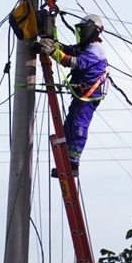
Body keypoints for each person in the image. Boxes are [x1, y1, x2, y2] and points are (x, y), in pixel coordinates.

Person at [40, 14, 108, 178]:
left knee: (78, 127)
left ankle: (73, 164)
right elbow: (71, 50)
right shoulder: (86, 47)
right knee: (69, 126)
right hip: (80, 95)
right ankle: (66, 163)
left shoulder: (95, 50)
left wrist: (52, 52)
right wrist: (55, 45)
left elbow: (74, 62)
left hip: (89, 97)